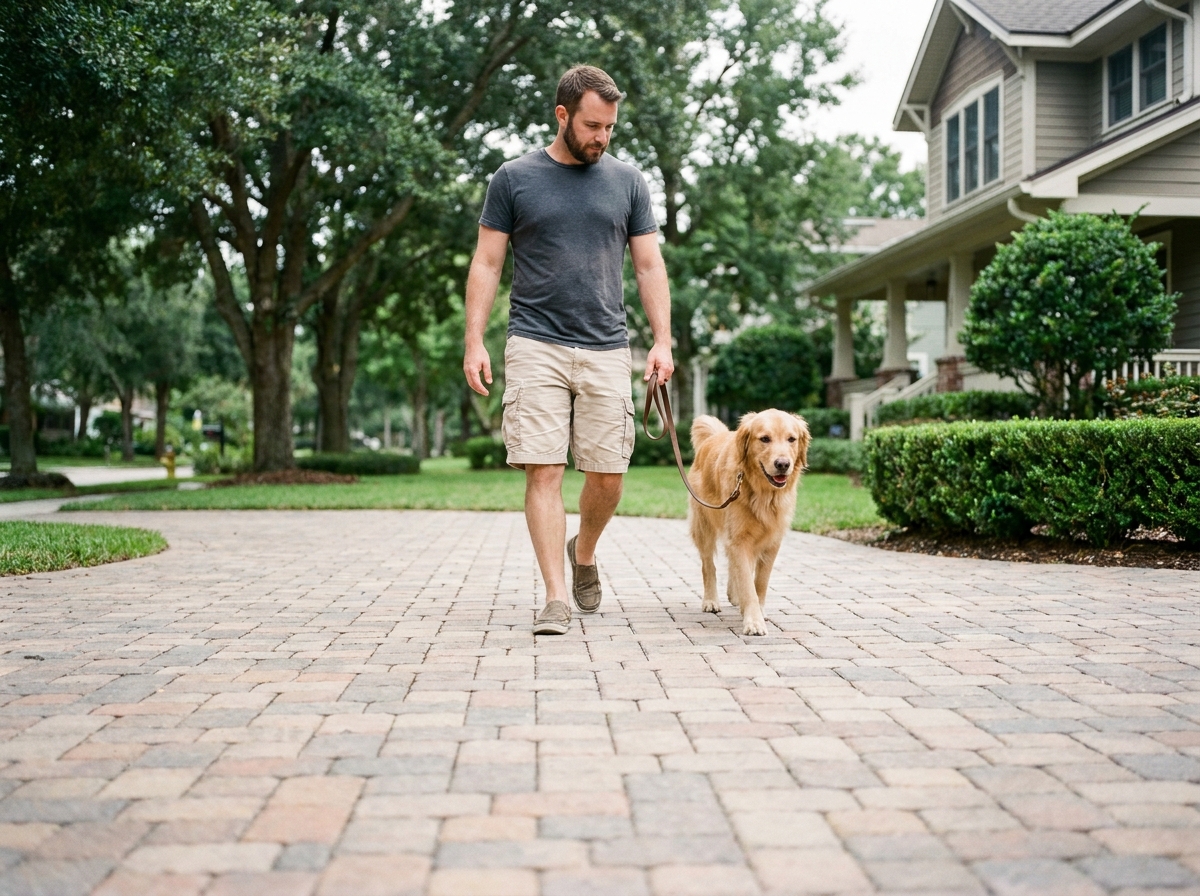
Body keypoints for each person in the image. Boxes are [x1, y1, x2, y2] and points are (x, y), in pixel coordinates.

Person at [463, 64, 674, 635]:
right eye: (592, 126)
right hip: (535, 342)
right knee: (545, 471)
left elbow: (649, 263)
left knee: (608, 475)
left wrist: (662, 340)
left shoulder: (628, 182)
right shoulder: (513, 178)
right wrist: (474, 340)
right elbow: (487, 261)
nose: (602, 137)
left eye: (610, 127)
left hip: (607, 345)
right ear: (562, 116)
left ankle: (584, 552)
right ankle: (555, 595)